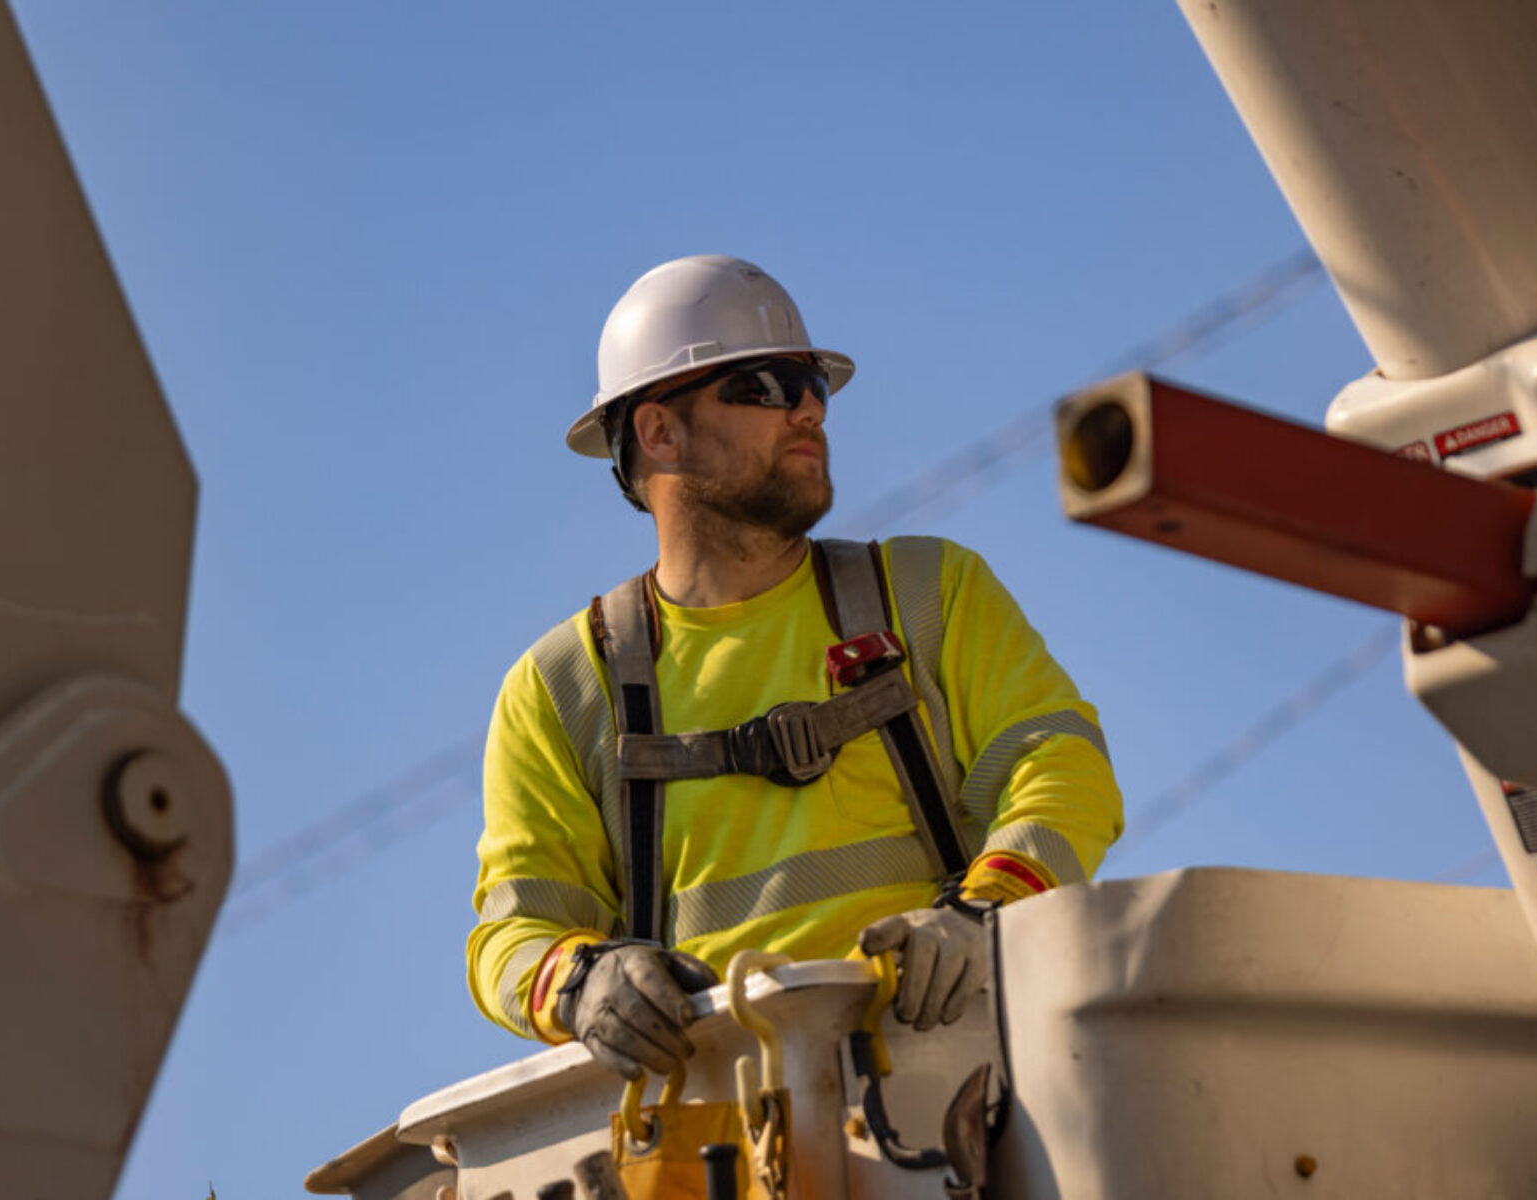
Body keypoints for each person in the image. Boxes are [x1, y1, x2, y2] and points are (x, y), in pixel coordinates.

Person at [467, 254, 1122, 1081]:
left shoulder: (926, 594)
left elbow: (1062, 767)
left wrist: (983, 915)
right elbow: (514, 932)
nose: (811, 410)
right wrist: (584, 984)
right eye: (767, 387)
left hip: (953, 1073)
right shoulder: (565, 687)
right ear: (658, 430)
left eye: (813, 385)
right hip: (718, 1119)